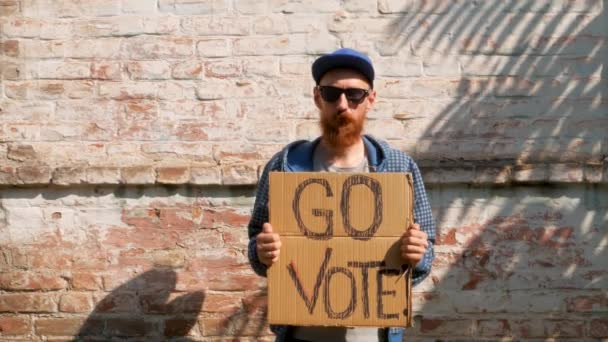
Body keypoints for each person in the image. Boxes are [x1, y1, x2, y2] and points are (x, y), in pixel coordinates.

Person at [247, 48, 436, 342]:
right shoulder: (284, 166)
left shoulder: (399, 167)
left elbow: (427, 254)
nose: (343, 105)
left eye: (355, 95)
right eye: (331, 93)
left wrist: (418, 254)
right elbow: (256, 242)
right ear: (317, 97)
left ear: (370, 100)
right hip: (301, 335)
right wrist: (261, 251)